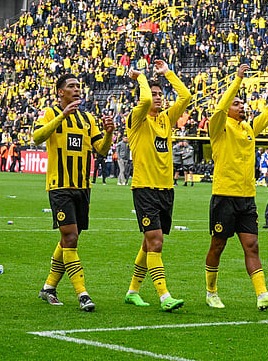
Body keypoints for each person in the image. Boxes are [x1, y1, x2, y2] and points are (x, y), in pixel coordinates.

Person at [204, 64, 268, 310]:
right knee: (218, 245)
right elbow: (219, 107)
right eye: (237, 103)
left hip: (246, 197)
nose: (242, 106)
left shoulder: (248, 128)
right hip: (224, 196)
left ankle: (262, 295)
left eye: (243, 103)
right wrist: (237, 80)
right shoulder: (218, 127)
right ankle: (211, 291)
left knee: (252, 245)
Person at [33, 73, 114, 312]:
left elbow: (101, 149)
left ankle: (49, 287)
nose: (77, 89)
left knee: (70, 237)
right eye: (71, 86)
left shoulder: (88, 119)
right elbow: (37, 137)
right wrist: (61, 116)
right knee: (70, 237)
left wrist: (109, 132)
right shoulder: (49, 113)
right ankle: (82, 294)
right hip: (60, 186)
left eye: (78, 86)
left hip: (82, 186)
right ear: (60, 92)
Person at [124, 60, 191, 312]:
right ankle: (164, 296)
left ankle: (132, 291)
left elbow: (185, 96)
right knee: (156, 241)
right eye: (154, 94)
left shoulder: (165, 119)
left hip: (166, 188)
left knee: (148, 242)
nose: (159, 98)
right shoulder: (137, 118)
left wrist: (167, 74)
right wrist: (141, 79)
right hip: (144, 188)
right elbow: (142, 102)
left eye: (161, 94)